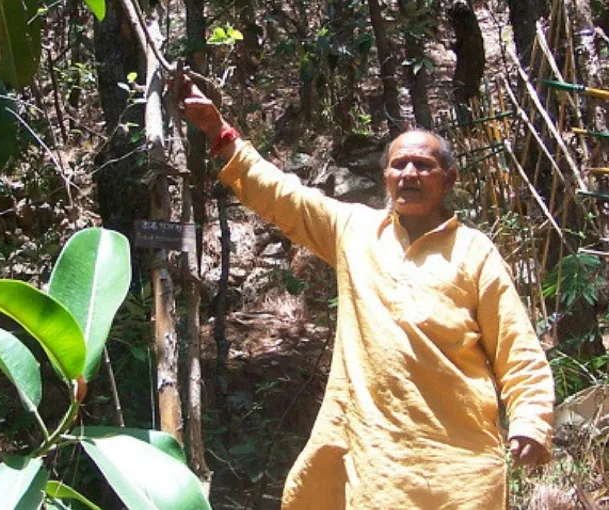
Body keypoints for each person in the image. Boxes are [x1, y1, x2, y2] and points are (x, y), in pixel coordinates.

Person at [179, 76, 555, 509]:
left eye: (423, 165)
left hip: (456, 463)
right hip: (370, 452)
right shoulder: (355, 231)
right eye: (398, 165)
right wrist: (217, 130)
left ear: (447, 179)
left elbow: (516, 348)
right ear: (385, 177)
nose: (409, 174)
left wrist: (530, 419)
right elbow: (284, 197)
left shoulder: (474, 252)